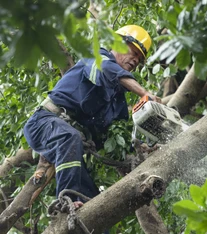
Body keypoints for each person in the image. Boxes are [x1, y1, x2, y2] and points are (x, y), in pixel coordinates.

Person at [23, 25, 161, 208]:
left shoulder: (117, 99)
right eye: (133, 52)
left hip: (70, 144)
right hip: (43, 123)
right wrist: (144, 93)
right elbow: (107, 70)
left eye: (139, 58)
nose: (135, 60)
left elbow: (115, 137)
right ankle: (66, 201)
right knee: (69, 137)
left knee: (94, 204)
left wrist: (143, 147)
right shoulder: (96, 59)